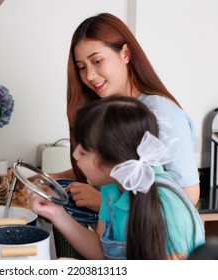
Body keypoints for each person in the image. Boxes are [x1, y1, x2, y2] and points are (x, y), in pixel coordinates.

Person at [49, 12, 200, 210]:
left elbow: (187, 197)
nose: (90, 76)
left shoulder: (161, 112)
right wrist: (51, 178)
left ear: (125, 54)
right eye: (82, 67)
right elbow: (110, 171)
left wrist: (104, 203)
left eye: (97, 61)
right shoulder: (112, 112)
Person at [25, 95, 205, 260]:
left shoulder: (167, 208)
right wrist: (57, 214)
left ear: (111, 160)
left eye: (84, 150)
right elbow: (103, 253)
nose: (76, 155)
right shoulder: (112, 187)